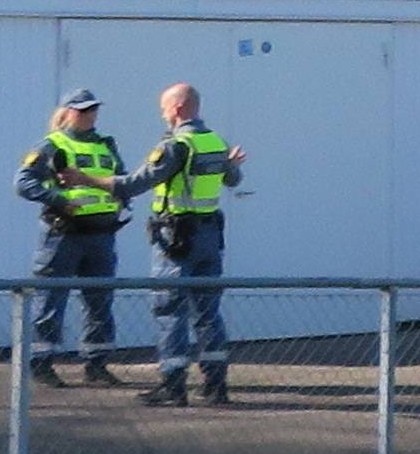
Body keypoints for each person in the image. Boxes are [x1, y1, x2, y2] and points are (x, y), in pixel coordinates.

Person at [139, 80, 251, 405]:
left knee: (169, 308)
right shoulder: (215, 141)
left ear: (176, 108)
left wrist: (97, 182)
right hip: (209, 237)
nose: (162, 115)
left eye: (164, 109)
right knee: (207, 311)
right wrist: (230, 165)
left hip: (176, 239)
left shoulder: (176, 145)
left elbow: (139, 181)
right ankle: (216, 385)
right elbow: (233, 179)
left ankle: (173, 385)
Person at [15, 86, 130, 382]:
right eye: (84, 110)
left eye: (94, 109)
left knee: (100, 301)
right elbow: (23, 183)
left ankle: (96, 364)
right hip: (63, 234)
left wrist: (123, 200)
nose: (91, 114)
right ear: (68, 113)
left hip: (101, 234)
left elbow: (121, 179)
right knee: (50, 299)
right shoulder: (52, 145)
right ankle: (41, 363)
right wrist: (59, 200)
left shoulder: (106, 145)